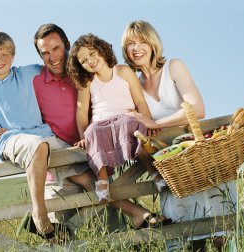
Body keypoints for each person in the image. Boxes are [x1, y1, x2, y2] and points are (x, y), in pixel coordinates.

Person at [0, 24, 171, 230]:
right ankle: (140, 215)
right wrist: (2, 133)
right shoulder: (34, 80)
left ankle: (138, 218)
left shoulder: (87, 75)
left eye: (56, 48)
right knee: (59, 233)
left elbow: (117, 101)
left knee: (114, 231)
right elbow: (9, 103)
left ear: (67, 45)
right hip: (59, 168)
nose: (52, 57)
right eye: (44, 53)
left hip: (95, 159)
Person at [121, 20, 237, 251]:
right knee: (189, 238)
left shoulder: (173, 67)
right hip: (169, 171)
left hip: (197, 161)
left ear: (153, 43)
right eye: (130, 43)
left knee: (221, 234)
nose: (137, 48)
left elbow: (197, 108)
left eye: (142, 41)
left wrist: (156, 123)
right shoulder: (132, 85)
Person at [0, 31, 69, 242]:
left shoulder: (29, 72)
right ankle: (39, 215)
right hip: (10, 139)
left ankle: (134, 215)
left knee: (85, 171)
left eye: (5, 54)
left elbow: (59, 70)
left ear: (13, 56)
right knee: (37, 146)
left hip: (43, 133)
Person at [66, 33, 169, 206]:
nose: (90, 61)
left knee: (132, 128)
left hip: (125, 119)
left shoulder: (123, 71)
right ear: (80, 66)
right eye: (84, 61)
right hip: (101, 123)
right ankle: (103, 181)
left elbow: (140, 101)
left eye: (92, 54)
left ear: (101, 49)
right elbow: (81, 112)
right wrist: (83, 136)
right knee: (93, 133)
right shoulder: (87, 82)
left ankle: (155, 174)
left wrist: (148, 122)